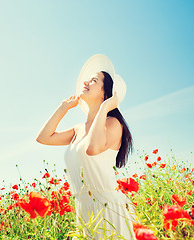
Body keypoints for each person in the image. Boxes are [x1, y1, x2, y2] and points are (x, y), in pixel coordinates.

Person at [36, 54, 135, 239]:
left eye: (94, 80)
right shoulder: (77, 130)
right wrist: (63, 107)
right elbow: (43, 138)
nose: (86, 82)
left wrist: (105, 108)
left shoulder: (113, 124)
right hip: (84, 210)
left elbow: (92, 148)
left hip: (108, 210)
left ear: (105, 93)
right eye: (88, 79)